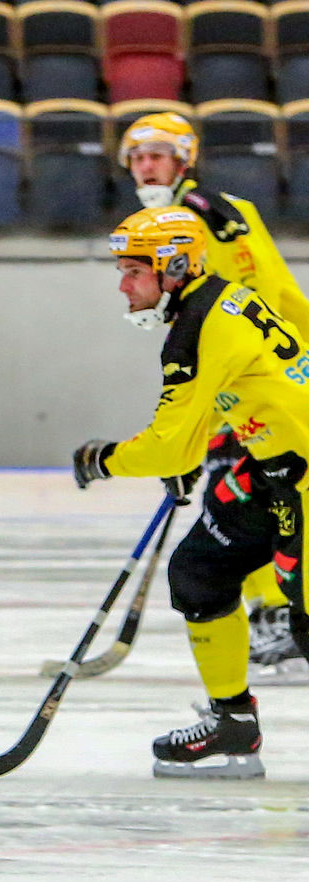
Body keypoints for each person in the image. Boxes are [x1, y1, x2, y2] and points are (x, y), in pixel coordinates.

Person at [72, 206, 309, 779]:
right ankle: (233, 725)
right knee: (201, 570)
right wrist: (197, 443)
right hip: (277, 467)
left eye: (134, 272)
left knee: (304, 620)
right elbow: (242, 389)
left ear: (174, 269)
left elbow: (167, 449)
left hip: (299, 476)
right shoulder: (220, 298)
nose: (123, 286)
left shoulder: (194, 330)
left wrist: (102, 460)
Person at [120, 110, 309, 682]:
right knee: (240, 507)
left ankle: (276, 613)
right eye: (137, 156)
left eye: (158, 155)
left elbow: (261, 296)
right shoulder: (178, 219)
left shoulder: (205, 218)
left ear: (184, 160)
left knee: (258, 499)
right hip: (249, 379)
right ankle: (273, 614)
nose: (146, 165)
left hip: (261, 385)